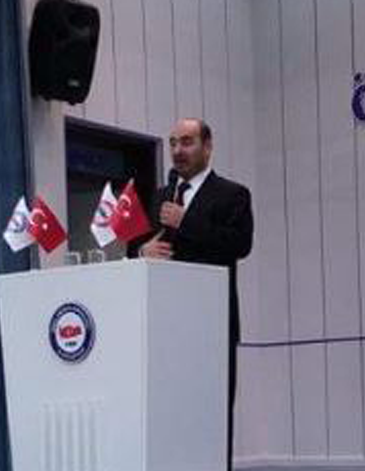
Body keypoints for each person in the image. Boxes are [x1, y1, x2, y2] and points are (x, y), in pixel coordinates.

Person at [138, 117, 253, 470]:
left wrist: (185, 221)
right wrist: (142, 251)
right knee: (171, 413)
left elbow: (238, 245)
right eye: (173, 143)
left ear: (208, 146)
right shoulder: (160, 196)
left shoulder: (232, 194)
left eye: (187, 142)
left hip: (212, 325)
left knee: (210, 413)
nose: (177, 151)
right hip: (166, 326)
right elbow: (137, 245)